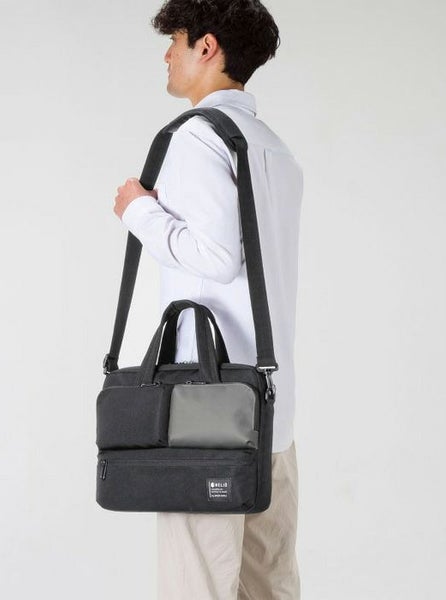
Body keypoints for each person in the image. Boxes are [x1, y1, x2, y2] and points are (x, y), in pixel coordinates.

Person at [113, 1, 303, 598]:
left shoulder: (198, 137)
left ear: (207, 46)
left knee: (196, 583)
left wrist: (138, 211)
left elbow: (217, 257)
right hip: (269, 404)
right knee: (269, 581)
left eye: (175, 40)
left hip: (207, 406)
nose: (166, 55)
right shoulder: (272, 146)